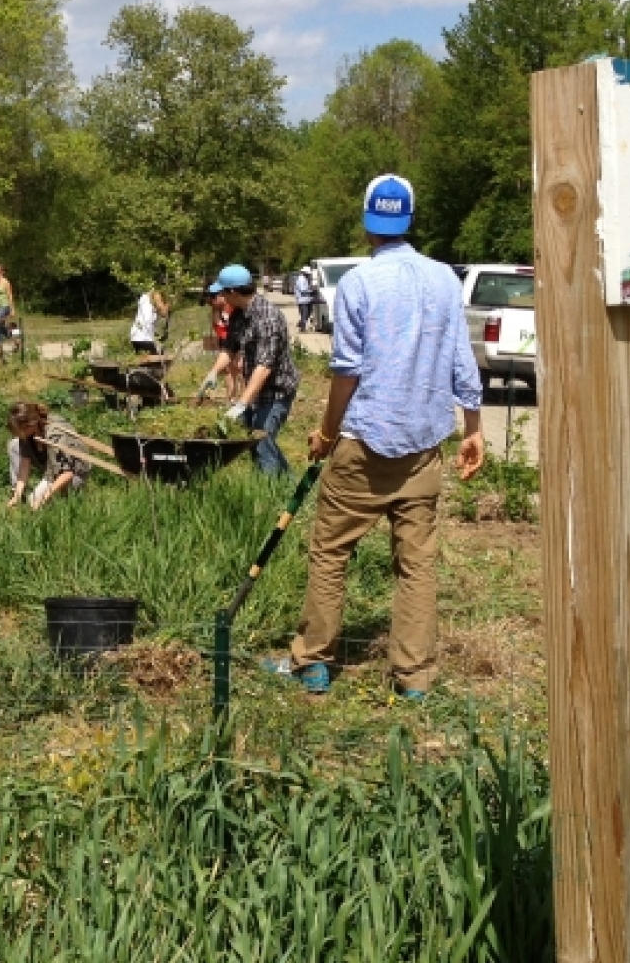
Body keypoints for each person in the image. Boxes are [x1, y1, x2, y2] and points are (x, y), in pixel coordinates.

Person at [265, 174, 486, 698]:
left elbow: (347, 372)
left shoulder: (358, 284)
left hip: (363, 445)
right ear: (410, 221)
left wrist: (325, 432)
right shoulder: (444, 281)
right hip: (422, 449)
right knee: (417, 565)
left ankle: (313, 662)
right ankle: (413, 679)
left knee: (330, 552)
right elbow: (461, 361)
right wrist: (473, 429)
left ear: (368, 223)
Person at [202, 263, 300, 475]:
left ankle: (272, 496)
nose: (222, 298)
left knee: (261, 440)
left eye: (223, 293)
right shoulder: (239, 314)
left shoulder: (268, 318)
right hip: (256, 388)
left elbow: (264, 367)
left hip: (276, 390)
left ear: (233, 292)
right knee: (254, 440)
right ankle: (287, 482)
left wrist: (242, 403)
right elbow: (229, 348)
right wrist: (213, 372)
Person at [5, 402, 89, 509]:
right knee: (33, 502)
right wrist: (17, 495)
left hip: (75, 472)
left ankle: (72, 492)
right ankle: (20, 496)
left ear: (30, 424)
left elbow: (67, 473)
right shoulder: (26, 434)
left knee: (46, 504)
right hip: (51, 471)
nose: (16, 434)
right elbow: (24, 464)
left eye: (18, 431)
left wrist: (45, 498)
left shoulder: (55, 434)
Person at [200, 289, 243, 401]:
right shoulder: (216, 309)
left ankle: (245, 398)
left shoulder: (234, 306)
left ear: (219, 297)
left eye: (211, 302)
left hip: (239, 340)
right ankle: (231, 397)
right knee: (228, 370)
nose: (210, 305)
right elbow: (217, 327)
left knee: (240, 367)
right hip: (225, 340)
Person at [129, 288, 168, 353]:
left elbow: (161, 313)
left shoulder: (146, 302)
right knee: (160, 353)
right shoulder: (147, 303)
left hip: (136, 337)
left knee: (157, 351)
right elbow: (163, 312)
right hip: (142, 338)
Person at [292, 265, 319, 333]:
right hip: (303, 300)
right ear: (305, 273)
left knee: (307, 313)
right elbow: (303, 290)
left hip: (306, 299)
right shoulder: (301, 279)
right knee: (305, 314)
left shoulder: (304, 279)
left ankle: (301, 323)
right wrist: (311, 291)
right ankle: (302, 328)